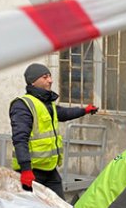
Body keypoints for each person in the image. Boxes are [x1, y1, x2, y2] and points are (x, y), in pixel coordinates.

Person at [9, 63, 98, 199]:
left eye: (50, 76)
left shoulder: (47, 103)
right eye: (45, 77)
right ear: (33, 81)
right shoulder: (22, 105)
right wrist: (26, 169)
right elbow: (20, 139)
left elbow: (63, 113)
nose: (50, 80)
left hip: (50, 169)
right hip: (32, 173)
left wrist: (84, 110)